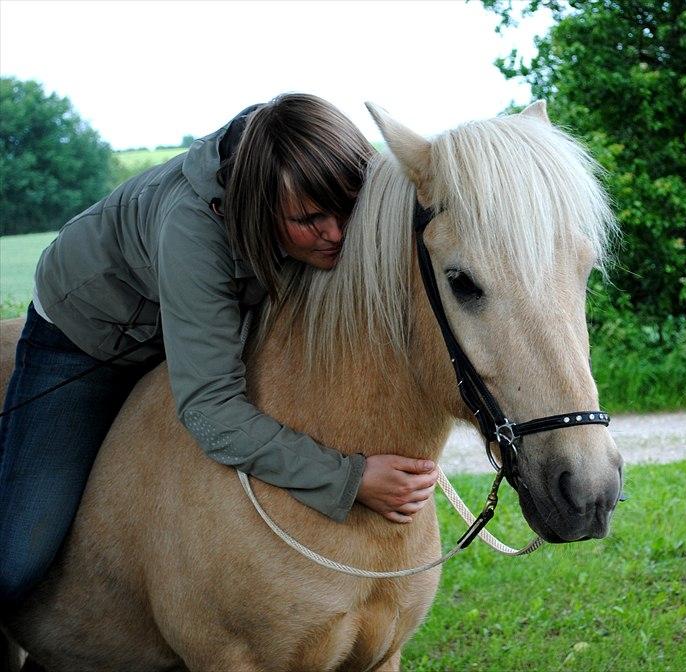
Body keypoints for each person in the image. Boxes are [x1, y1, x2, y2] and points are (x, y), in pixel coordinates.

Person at [0, 94, 438, 607]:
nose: (336, 234)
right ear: (259, 208)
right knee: (15, 561)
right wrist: (349, 478)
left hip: (187, 312)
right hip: (85, 335)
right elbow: (210, 409)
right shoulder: (192, 230)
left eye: (347, 210)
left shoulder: (313, 164)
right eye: (310, 218)